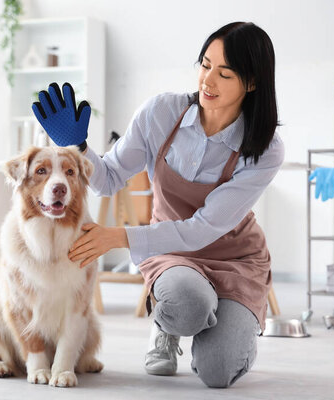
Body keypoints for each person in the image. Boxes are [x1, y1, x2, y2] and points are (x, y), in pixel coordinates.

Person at [31, 21, 284, 388]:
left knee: (218, 372)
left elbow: (203, 228)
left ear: (253, 82)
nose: (207, 81)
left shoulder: (265, 148)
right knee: (186, 304)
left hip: (235, 258)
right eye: (205, 64)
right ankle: (169, 323)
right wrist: (79, 147)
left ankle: (234, 331)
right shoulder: (162, 113)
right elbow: (110, 178)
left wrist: (117, 237)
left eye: (225, 74)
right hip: (172, 253)